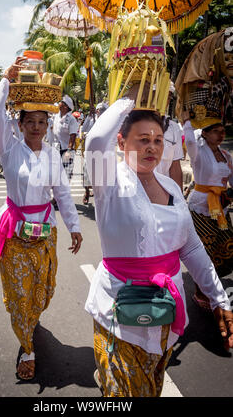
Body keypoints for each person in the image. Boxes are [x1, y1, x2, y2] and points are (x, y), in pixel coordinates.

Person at [84, 85, 233, 397]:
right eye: (142, 140)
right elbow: (96, 141)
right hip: (118, 313)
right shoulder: (108, 182)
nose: (152, 147)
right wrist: (129, 98)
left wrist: (219, 299)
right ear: (121, 142)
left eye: (157, 140)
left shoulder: (172, 188)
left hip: (165, 313)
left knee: (150, 388)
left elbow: (191, 248)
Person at [0, 58, 83, 381]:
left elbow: (63, 193)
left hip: (45, 233)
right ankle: (27, 347)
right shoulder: (9, 149)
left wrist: (74, 226)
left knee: (43, 292)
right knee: (19, 293)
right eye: (30, 121)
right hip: (15, 233)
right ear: (20, 124)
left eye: (42, 122)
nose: (36, 127)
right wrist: (6, 78)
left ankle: (31, 318)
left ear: (48, 125)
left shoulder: (52, 155)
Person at [182, 111, 233, 309]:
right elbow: (190, 142)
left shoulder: (226, 156)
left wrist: (228, 195)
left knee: (226, 245)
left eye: (223, 131)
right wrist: (187, 120)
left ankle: (212, 283)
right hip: (199, 207)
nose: (221, 135)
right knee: (203, 250)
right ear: (204, 133)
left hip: (220, 208)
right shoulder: (198, 152)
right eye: (216, 131)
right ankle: (199, 291)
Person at [52, 95, 78, 181]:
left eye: (61, 102)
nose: (59, 103)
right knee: (56, 175)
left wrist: (69, 151)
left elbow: (73, 135)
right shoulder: (56, 116)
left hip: (66, 149)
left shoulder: (71, 119)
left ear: (66, 106)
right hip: (56, 148)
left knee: (65, 176)